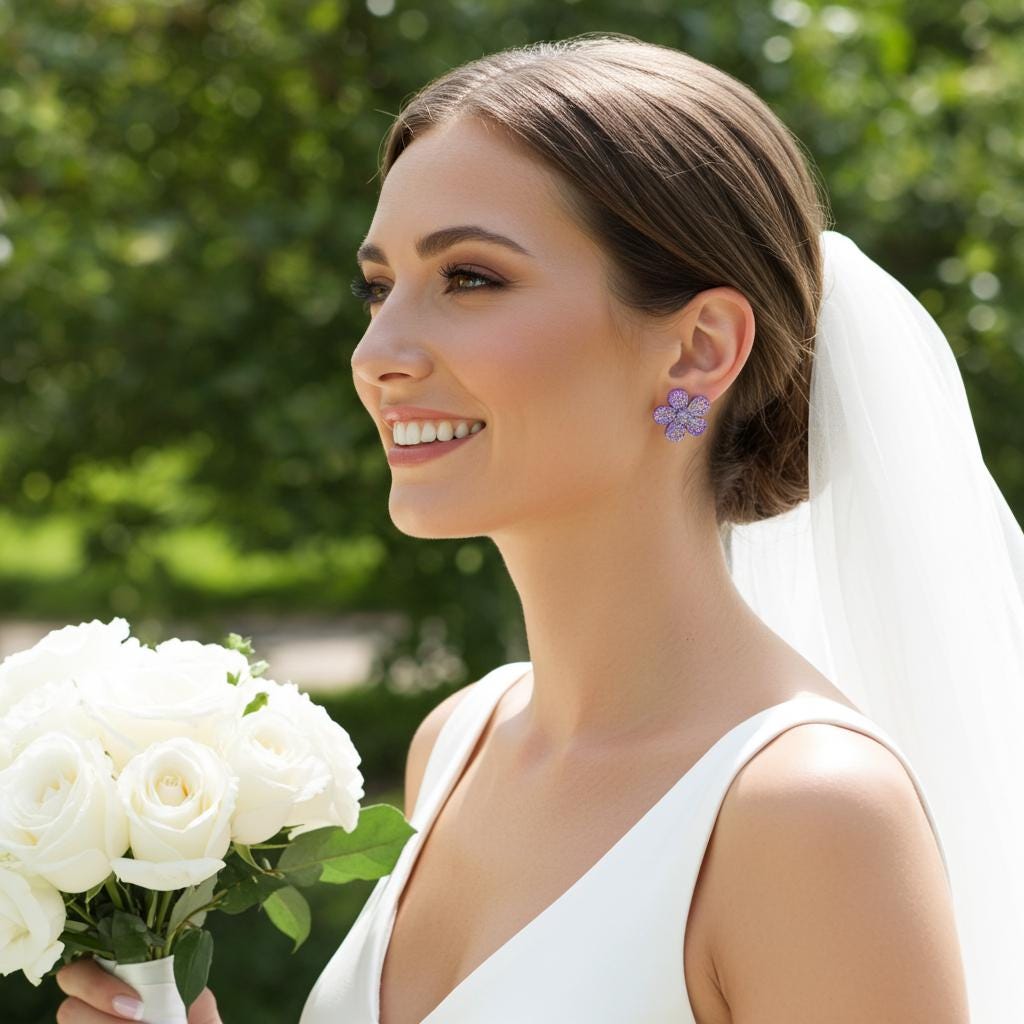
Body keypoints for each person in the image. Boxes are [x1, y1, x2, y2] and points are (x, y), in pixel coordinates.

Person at [58, 31, 1020, 1023]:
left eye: (468, 278)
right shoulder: (460, 741)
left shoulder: (807, 814)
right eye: (378, 287)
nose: (377, 352)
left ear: (697, 349)